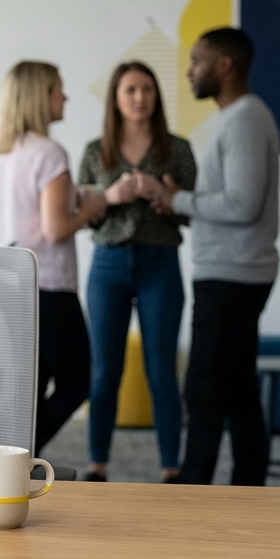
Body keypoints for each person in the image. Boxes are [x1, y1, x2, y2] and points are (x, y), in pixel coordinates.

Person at [137, 28, 280, 486]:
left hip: (233, 274)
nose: (189, 70)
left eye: (197, 61)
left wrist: (177, 200)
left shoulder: (244, 120)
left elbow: (242, 204)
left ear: (224, 65)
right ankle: (248, 485)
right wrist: (181, 198)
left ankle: (194, 485)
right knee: (236, 388)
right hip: (233, 270)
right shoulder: (238, 118)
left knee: (202, 385)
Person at [0, 61, 106, 455]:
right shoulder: (50, 154)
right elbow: (55, 229)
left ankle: (16, 460)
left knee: (29, 388)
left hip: (3, 286)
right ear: (39, 96)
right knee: (77, 383)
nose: (65, 96)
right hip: (47, 285)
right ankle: (19, 456)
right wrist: (94, 206)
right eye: (58, 89)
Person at [77, 62, 196, 483]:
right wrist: (110, 196)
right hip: (108, 264)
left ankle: (170, 467)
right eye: (131, 89)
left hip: (159, 264)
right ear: (116, 97)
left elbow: (188, 213)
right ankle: (97, 463)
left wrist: (164, 198)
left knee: (162, 370)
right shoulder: (96, 151)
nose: (140, 97)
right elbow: (83, 215)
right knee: (105, 370)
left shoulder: (177, 149)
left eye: (147, 89)